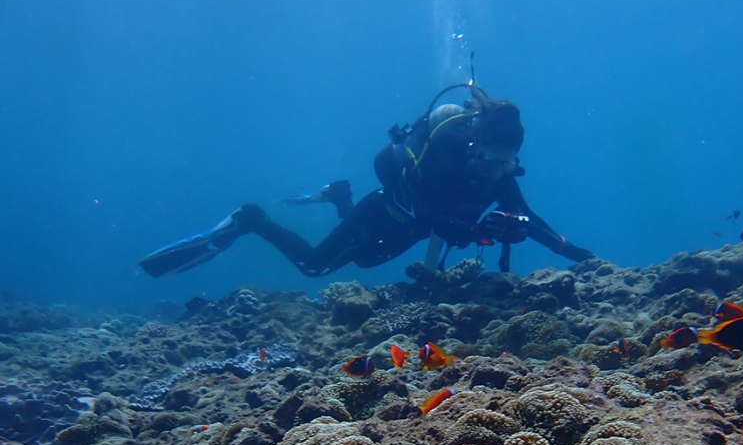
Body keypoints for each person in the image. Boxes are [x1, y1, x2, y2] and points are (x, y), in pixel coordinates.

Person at [139, 82, 592, 280]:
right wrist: (478, 230)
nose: (498, 172)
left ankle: (339, 196)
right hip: (386, 212)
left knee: (366, 265)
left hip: (411, 230)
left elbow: (528, 215)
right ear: (476, 147)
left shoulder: (498, 172)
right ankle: (251, 219)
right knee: (316, 267)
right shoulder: (447, 157)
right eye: (493, 161)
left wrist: (573, 252)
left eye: (508, 165)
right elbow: (435, 212)